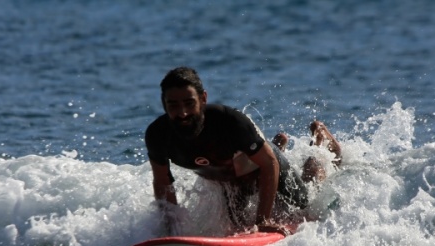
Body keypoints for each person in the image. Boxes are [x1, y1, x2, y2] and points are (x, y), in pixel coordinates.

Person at [145, 66, 341, 235]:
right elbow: (162, 183)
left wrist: (262, 221)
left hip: (264, 165)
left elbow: (269, 163)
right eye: (173, 105)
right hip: (230, 180)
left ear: (203, 99)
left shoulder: (229, 122)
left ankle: (319, 143)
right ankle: (273, 145)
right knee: (238, 225)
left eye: (189, 103)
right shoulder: (158, 135)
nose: (183, 113)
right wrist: (170, 230)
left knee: (305, 206)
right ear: (164, 104)